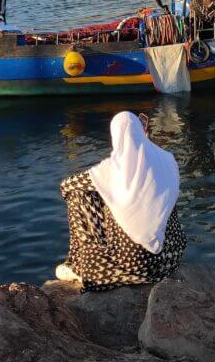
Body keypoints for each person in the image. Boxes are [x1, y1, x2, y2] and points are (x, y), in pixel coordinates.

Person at [57, 111, 186, 291]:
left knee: (79, 194)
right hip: (170, 258)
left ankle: (78, 264)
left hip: (137, 265)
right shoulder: (167, 159)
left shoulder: (112, 169)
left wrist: (103, 195)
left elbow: (67, 186)